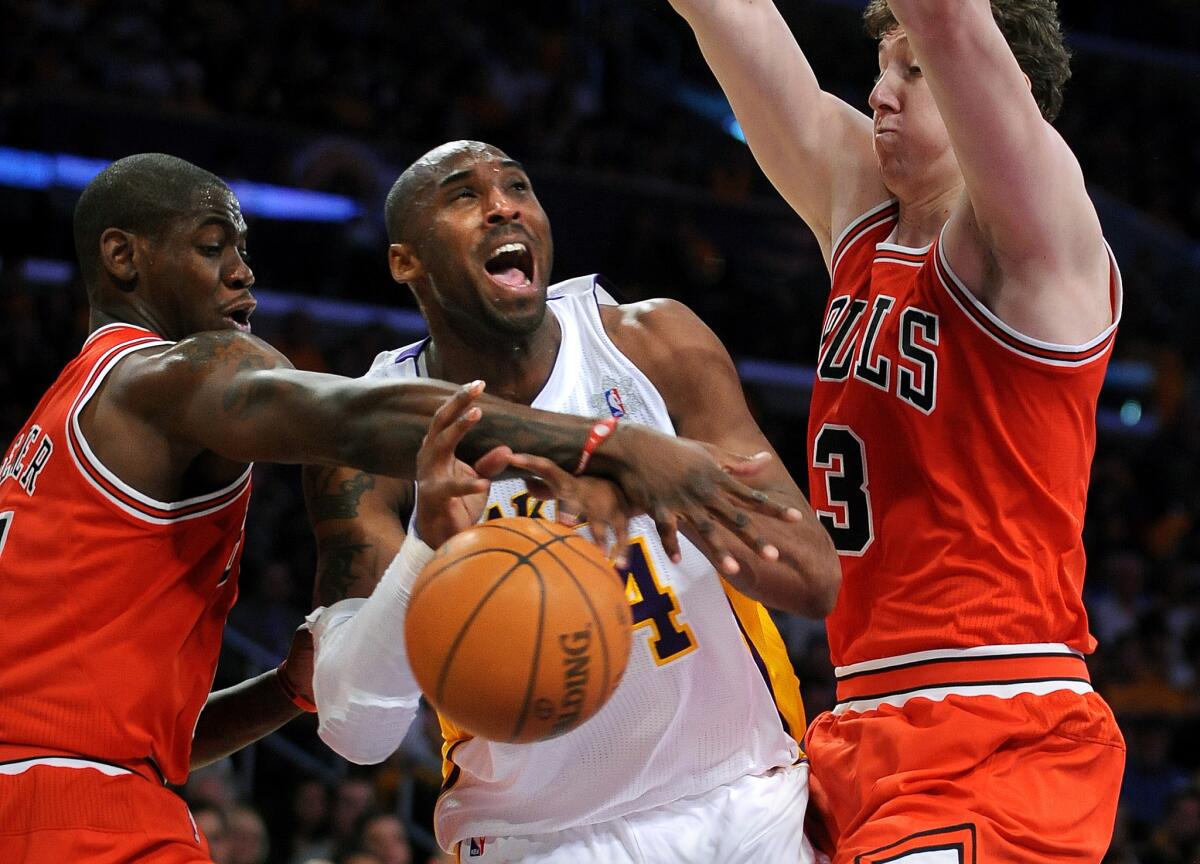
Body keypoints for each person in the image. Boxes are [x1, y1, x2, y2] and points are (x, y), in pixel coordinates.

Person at [0, 152, 809, 863]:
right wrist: (612, 445)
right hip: (78, 807)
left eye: (244, 251)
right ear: (123, 258)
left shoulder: (54, 422)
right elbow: (353, 420)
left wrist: (283, 690)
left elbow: (149, 746)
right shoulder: (161, 376)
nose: (244, 273)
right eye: (216, 248)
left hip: (739, 796)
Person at [667, 0, 1125, 860]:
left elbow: (951, 16)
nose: (881, 93)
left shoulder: (1039, 245)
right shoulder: (862, 212)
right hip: (856, 724)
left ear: (994, 92)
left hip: (999, 727)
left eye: (911, 72)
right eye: (882, 65)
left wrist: (943, 42)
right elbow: (727, 18)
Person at [303, 140, 841, 863]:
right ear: (407, 261)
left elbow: (813, 579)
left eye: (518, 186)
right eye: (464, 195)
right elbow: (355, 733)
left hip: (741, 801)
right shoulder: (368, 435)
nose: (503, 205)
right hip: (533, 839)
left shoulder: (651, 344)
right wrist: (426, 549)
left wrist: (642, 482)